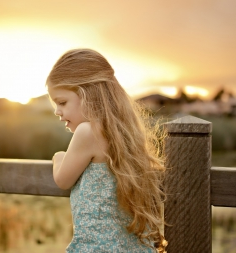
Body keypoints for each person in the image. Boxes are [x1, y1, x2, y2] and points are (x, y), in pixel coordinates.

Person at [46, 49, 167, 253]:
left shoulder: (87, 131)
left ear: (88, 94)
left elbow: (63, 180)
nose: (57, 111)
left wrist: (59, 157)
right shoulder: (124, 135)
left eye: (62, 102)